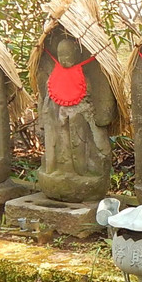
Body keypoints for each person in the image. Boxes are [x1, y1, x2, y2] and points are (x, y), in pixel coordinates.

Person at [41, 37, 112, 182]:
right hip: (60, 120)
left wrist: (76, 112)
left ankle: (83, 170)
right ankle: (62, 169)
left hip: (78, 120)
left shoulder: (83, 78)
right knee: (62, 146)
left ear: (75, 55)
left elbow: (88, 101)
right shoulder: (54, 77)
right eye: (61, 56)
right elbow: (48, 99)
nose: (64, 59)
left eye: (68, 55)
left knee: (79, 144)